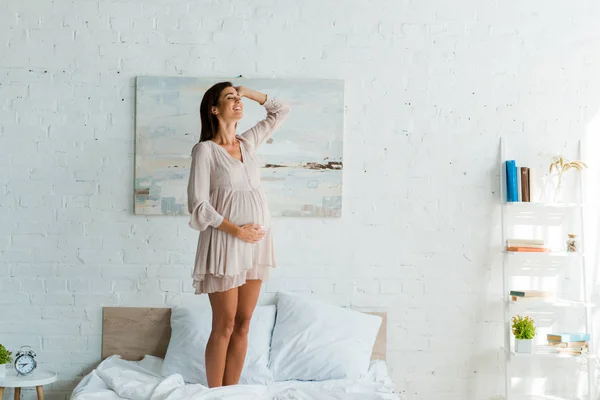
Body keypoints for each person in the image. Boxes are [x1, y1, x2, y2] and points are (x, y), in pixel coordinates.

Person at [187, 82, 290, 387]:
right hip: (225, 241)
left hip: (256, 244)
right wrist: (237, 231)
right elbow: (198, 205)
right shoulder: (205, 150)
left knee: (244, 324)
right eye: (229, 98)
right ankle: (213, 392)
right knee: (225, 323)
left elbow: (280, 110)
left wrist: (248, 92)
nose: (237, 102)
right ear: (214, 109)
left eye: (238, 98)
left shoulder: (248, 143)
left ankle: (230, 393)